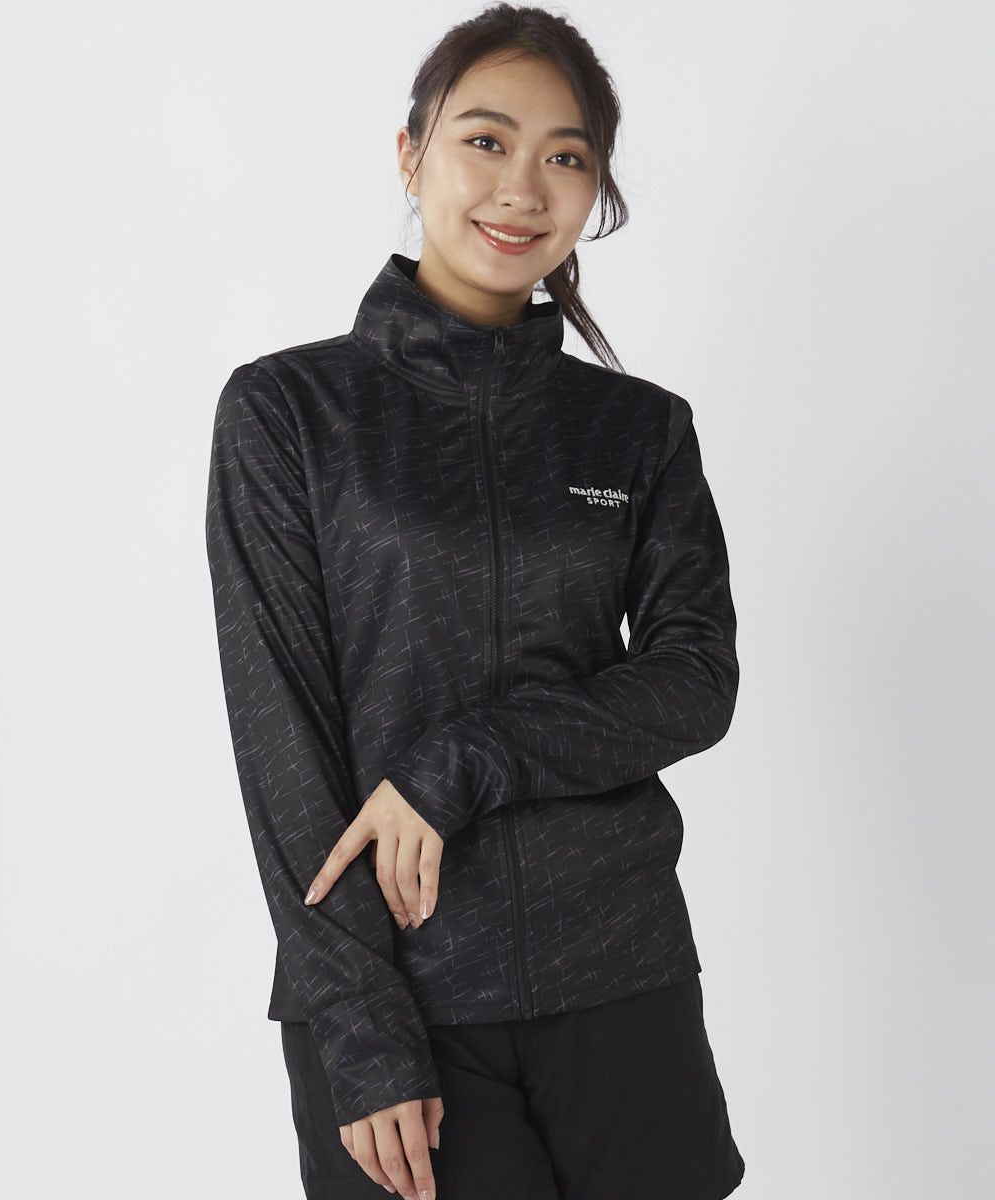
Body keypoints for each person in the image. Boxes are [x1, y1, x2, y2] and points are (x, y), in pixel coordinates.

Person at [205, 5, 746, 1199]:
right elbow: (283, 744)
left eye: (566, 156)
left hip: (622, 971)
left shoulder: (639, 430)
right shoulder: (288, 414)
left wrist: (463, 760)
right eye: (485, 141)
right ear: (411, 156)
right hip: (403, 993)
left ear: (594, 189)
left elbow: (695, 680)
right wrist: (361, 1035)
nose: (522, 189)